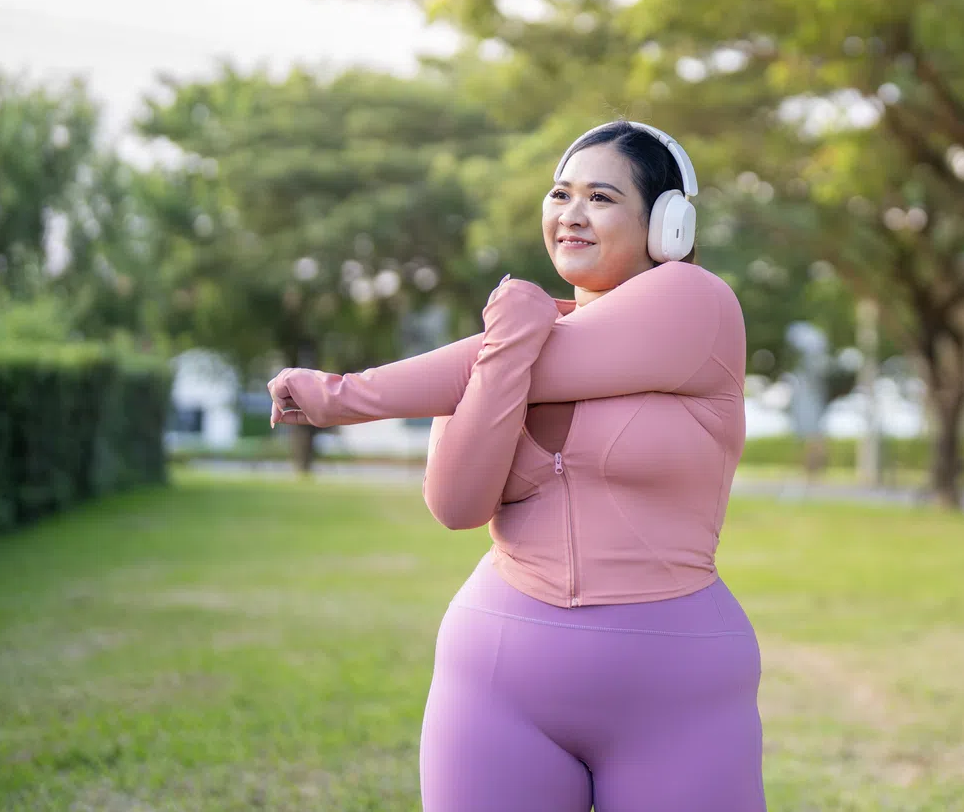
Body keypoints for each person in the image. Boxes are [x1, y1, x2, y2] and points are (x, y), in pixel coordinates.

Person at [267, 121, 764, 812]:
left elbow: (543, 362)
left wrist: (342, 394)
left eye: (601, 197)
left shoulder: (697, 302)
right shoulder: (504, 346)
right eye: (561, 194)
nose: (572, 213)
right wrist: (506, 345)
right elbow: (456, 505)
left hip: (675, 686)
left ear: (667, 224)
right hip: (494, 680)